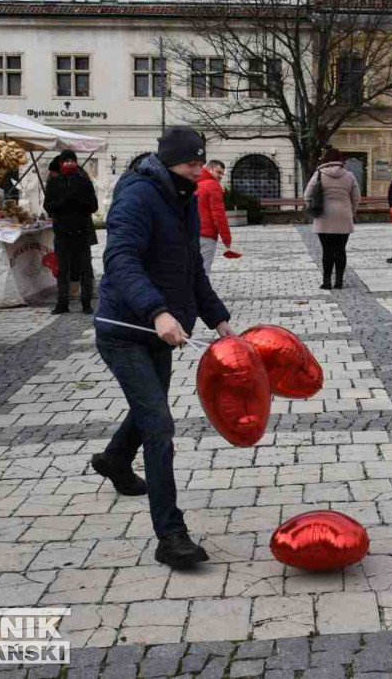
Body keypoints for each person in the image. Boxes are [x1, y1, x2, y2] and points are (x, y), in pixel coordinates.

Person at [94, 126, 236, 570]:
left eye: (201, 163)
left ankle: (115, 460)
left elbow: (192, 266)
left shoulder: (184, 197)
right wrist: (157, 310)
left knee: (147, 407)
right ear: (169, 161)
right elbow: (119, 260)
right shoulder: (137, 195)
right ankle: (171, 535)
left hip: (160, 331)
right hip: (124, 329)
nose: (198, 172)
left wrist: (219, 319)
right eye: (191, 165)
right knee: (159, 425)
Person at [44, 150, 99, 315]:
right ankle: (62, 302)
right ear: (61, 164)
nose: (69, 164)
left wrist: (77, 201)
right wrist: (63, 202)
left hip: (82, 232)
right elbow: (48, 206)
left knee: (85, 270)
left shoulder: (84, 181)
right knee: (62, 269)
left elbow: (93, 206)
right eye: (66, 161)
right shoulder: (54, 183)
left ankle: (86, 303)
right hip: (62, 232)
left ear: (76, 163)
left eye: (72, 161)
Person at [304, 148, 360, 290]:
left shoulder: (319, 174)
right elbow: (356, 197)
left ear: (324, 159)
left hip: (324, 217)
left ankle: (327, 281)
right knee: (340, 250)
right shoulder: (349, 175)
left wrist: (313, 207)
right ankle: (339, 281)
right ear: (340, 159)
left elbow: (307, 195)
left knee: (327, 250)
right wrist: (351, 211)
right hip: (343, 216)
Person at [195, 160, 231, 276]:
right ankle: (201, 294)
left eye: (222, 174)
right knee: (204, 271)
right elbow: (219, 215)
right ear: (209, 169)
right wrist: (227, 240)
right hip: (207, 234)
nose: (220, 176)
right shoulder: (212, 185)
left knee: (192, 268)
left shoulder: (196, 183)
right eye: (218, 172)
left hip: (193, 232)